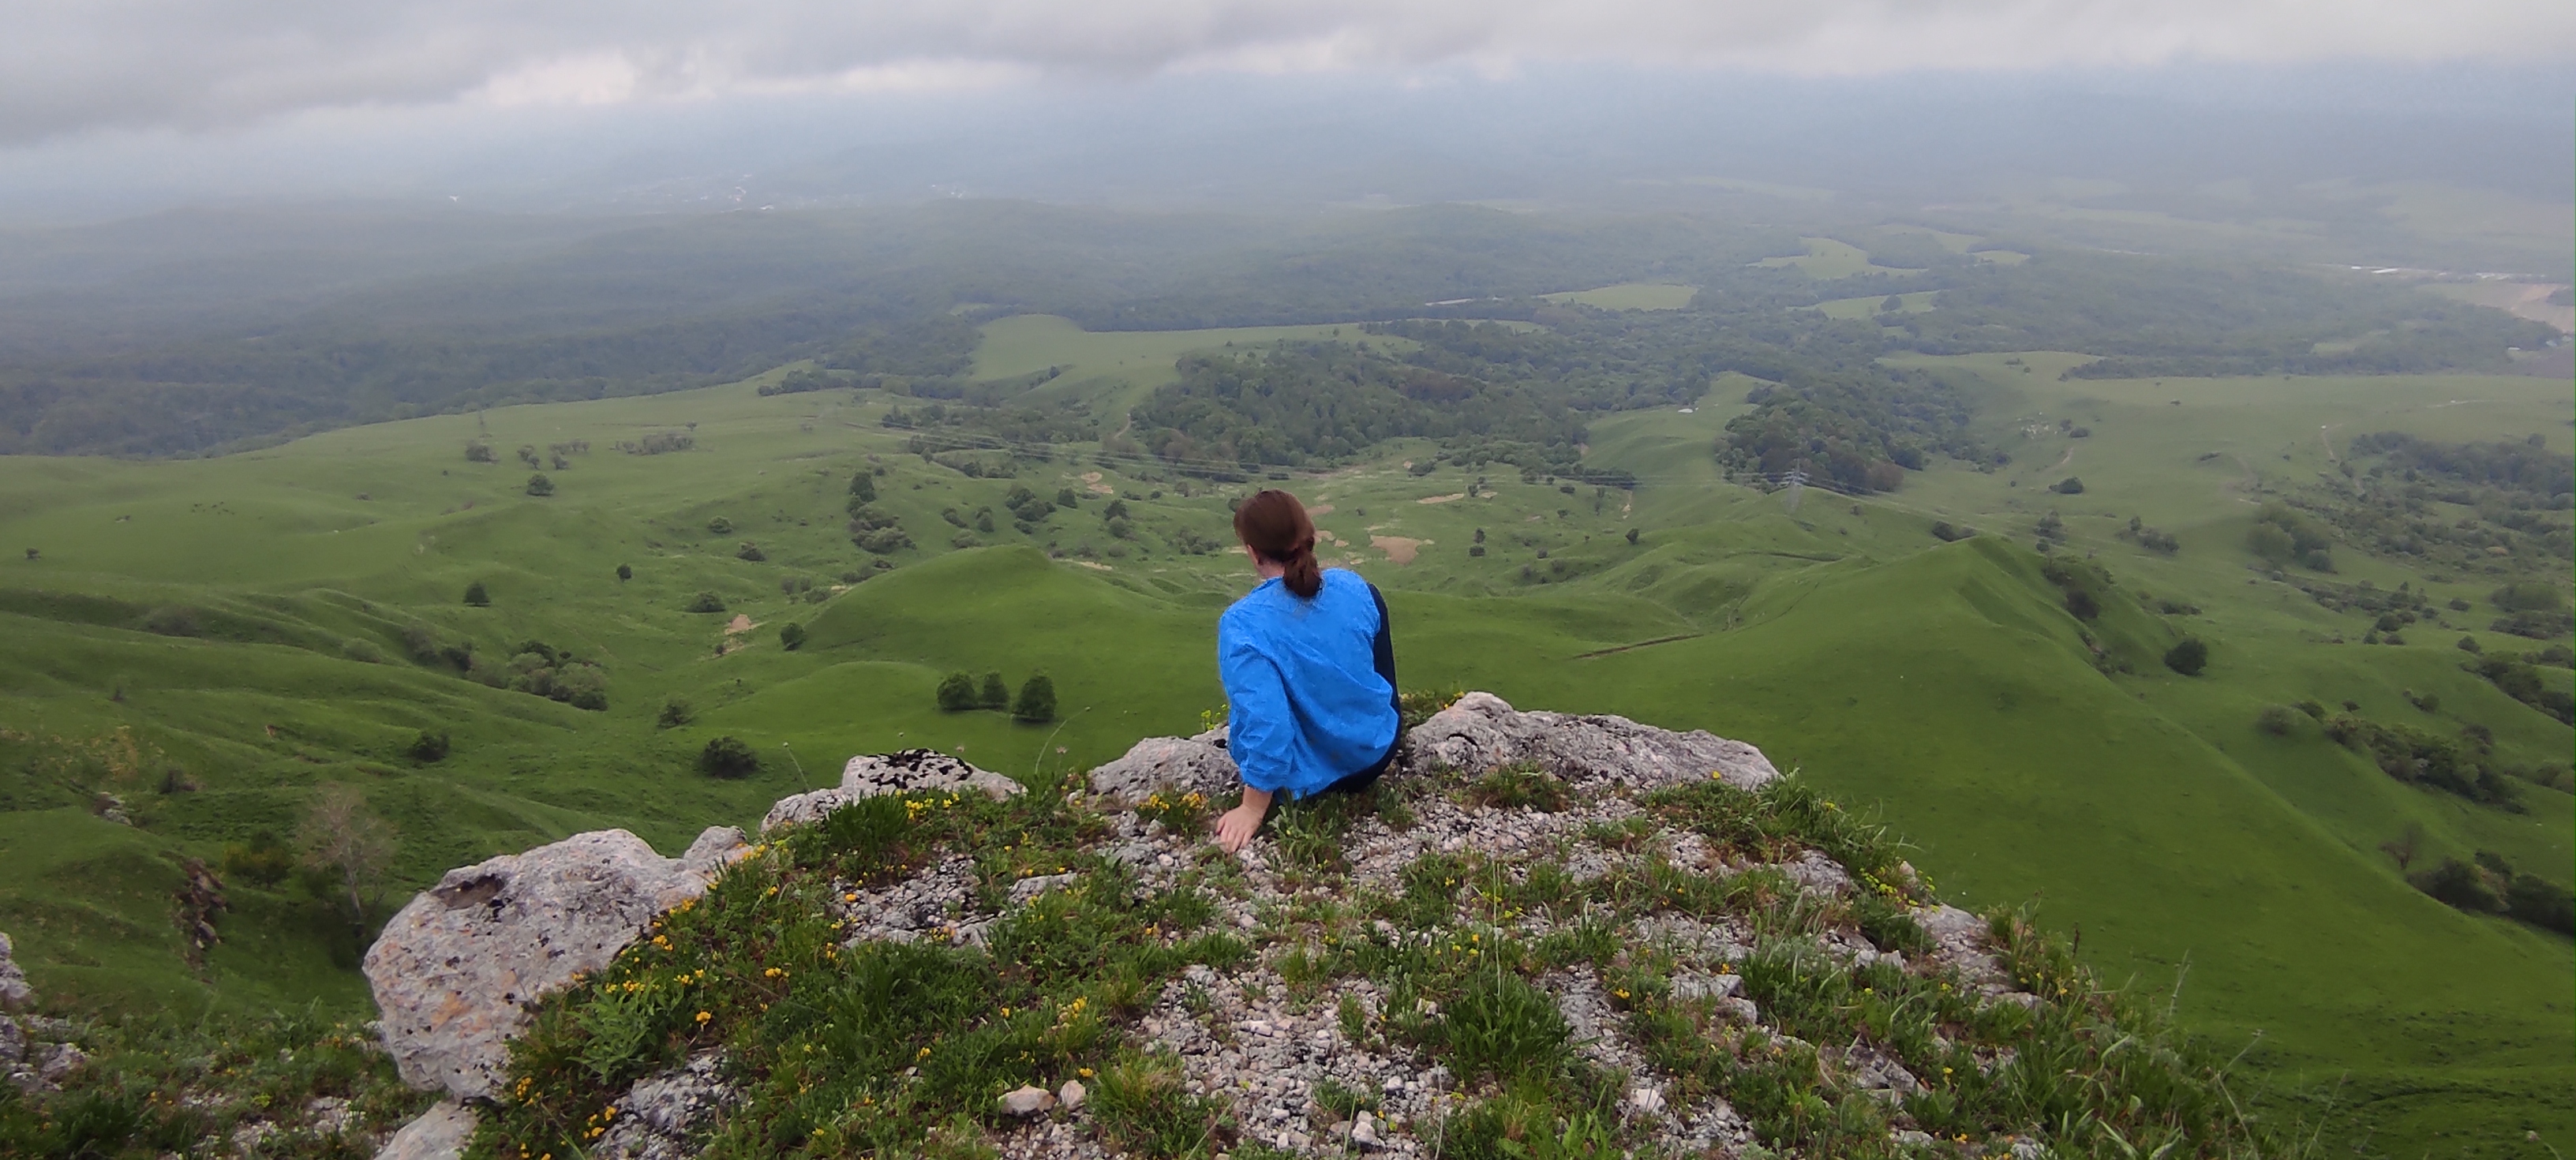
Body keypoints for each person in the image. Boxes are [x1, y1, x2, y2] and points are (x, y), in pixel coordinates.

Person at [1211, 489, 1401, 852]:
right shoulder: (1355, 587)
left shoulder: (1242, 625)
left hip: (1305, 783)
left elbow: (1268, 724)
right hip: (1377, 751)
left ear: (1253, 552)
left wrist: (1252, 809)